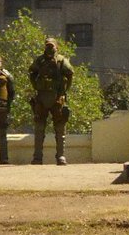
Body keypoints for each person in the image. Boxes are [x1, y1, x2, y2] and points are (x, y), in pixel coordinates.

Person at [28, 37, 73, 165]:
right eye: (47, 46)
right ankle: (37, 157)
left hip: (57, 98)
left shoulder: (61, 61)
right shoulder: (39, 60)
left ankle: (60, 156)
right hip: (41, 98)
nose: (49, 48)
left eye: (51, 46)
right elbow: (32, 73)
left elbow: (70, 74)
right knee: (39, 127)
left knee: (60, 128)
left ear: (56, 47)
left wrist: (64, 92)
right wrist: (36, 87)